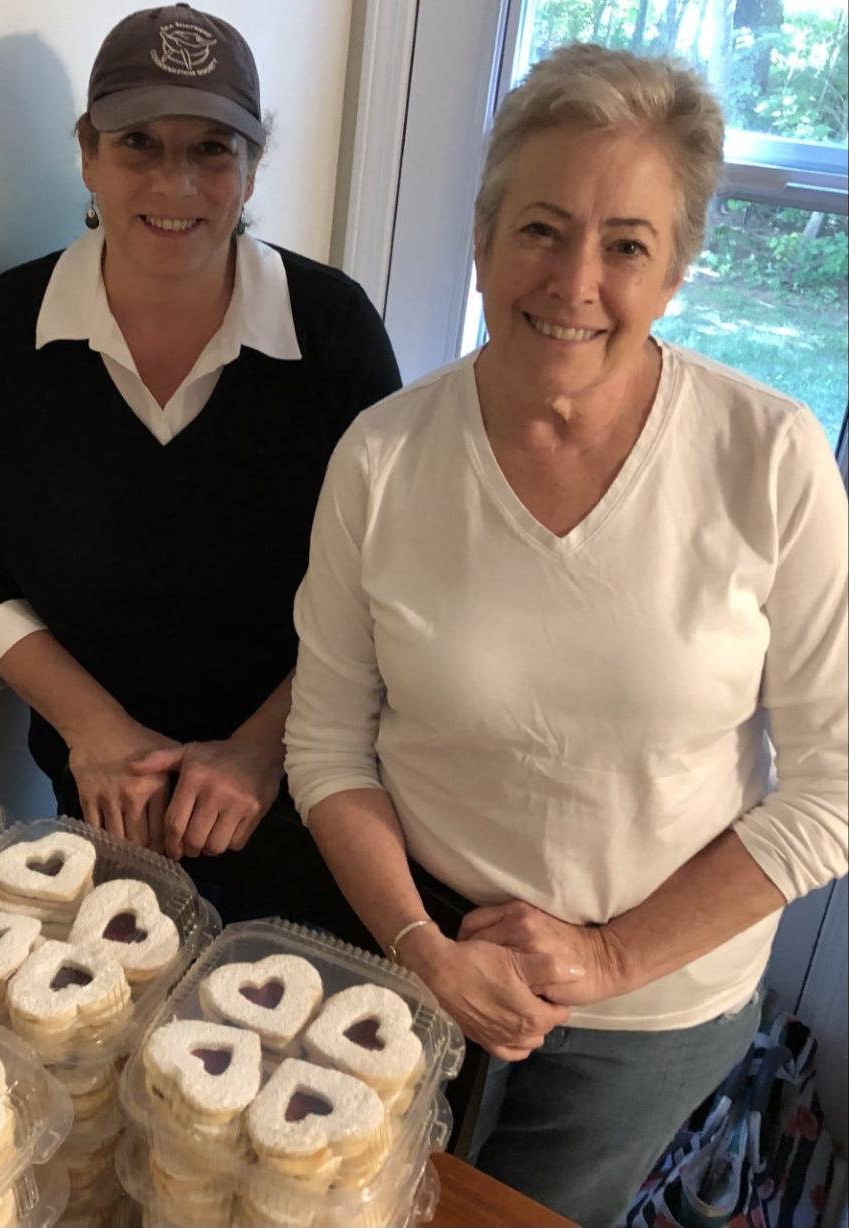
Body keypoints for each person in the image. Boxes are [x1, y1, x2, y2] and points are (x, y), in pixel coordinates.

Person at [284, 42, 848, 1228]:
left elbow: (834, 788)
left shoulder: (771, 457)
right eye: (540, 228)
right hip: (411, 953)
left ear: (677, 267)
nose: (576, 279)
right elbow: (328, 740)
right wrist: (424, 948)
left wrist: (604, 960)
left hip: (652, 1012)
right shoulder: (382, 458)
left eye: (627, 244)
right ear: (483, 238)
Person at [0, 4, 399, 936]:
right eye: (139, 142)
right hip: (103, 799)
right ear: (88, 154)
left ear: (253, 166)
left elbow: (391, 581)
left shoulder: (332, 330)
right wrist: (96, 734)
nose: (175, 182)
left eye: (212, 148)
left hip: (310, 788)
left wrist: (262, 752)